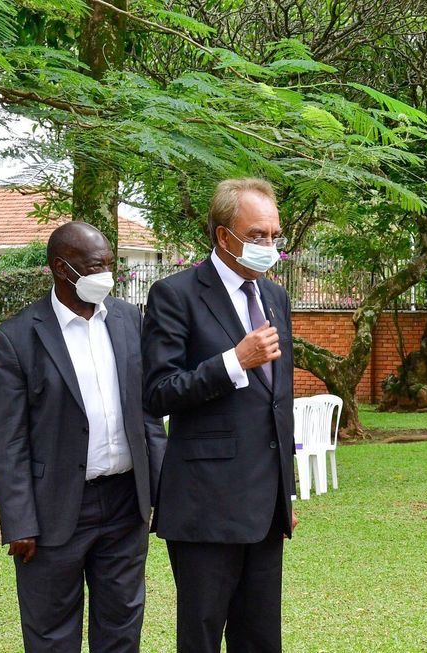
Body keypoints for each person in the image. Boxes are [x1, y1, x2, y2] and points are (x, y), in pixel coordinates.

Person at [0, 222, 167, 653]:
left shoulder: (128, 318)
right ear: (60, 268)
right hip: (53, 511)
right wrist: (19, 522)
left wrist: (164, 491)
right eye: (95, 266)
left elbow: (145, 414)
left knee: (122, 626)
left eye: (109, 264)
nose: (105, 275)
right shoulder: (17, 337)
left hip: (125, 505)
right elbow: (7, 439)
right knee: (52, 635)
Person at [142, 178, 297, 653]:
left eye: (274, 236)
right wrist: (234, 361)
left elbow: (277, 404)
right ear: (223, 236)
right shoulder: (176, 295)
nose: (268, 245)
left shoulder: (275, 298)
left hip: (264, 506)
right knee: (202, 635)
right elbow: (158, 393)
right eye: (257, 235)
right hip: (205, 506)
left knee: (260, 637)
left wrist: (284, 492)